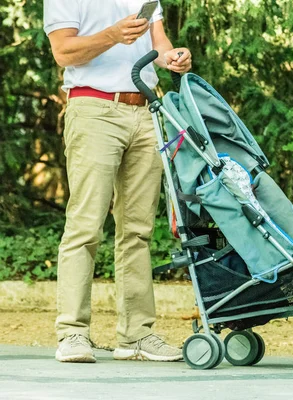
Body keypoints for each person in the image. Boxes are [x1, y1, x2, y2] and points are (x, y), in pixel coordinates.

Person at [43, 0, 192, 363]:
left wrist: (173, 57)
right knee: (85, 225)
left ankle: (137, 336)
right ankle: (73, 334)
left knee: (137, 231)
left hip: (146, 111)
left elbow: (159, 43)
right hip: (93, 109)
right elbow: (63, 52)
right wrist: (112, 35)